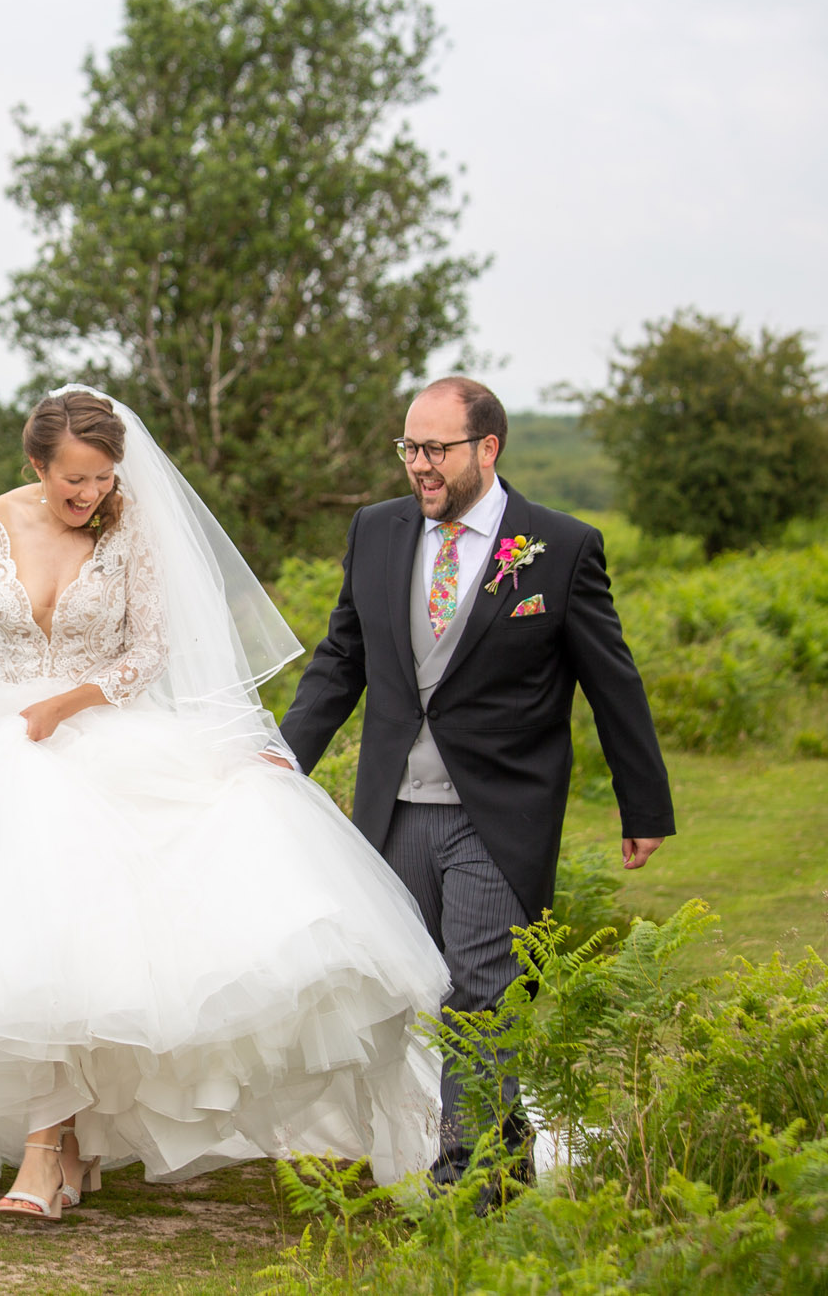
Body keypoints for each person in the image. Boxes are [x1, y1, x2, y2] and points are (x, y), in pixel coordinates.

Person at [0, 386, 450, 1218]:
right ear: (36, 466)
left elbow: (149, 649)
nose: (89, 495)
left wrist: (70, 703)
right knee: (27, 937)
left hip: (97, 733)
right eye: (73, 482)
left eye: (101, 478)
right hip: (6, 744)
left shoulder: (131, 525)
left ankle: (50, 1149)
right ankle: (56, 1142)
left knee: (89, 941)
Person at [277, 375, 675, 1186]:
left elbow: (613, 680)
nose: (419, 466)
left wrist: (644, 804)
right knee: (398, 987)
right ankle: (447, 1143)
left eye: (436, 450)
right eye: (409, 448)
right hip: (393, 811)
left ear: (487, 448)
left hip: (500, 814)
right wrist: (282, 762)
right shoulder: (378, 530)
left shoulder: (559, 547)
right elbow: (341, 660)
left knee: (482, 993)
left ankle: (475, 1176)